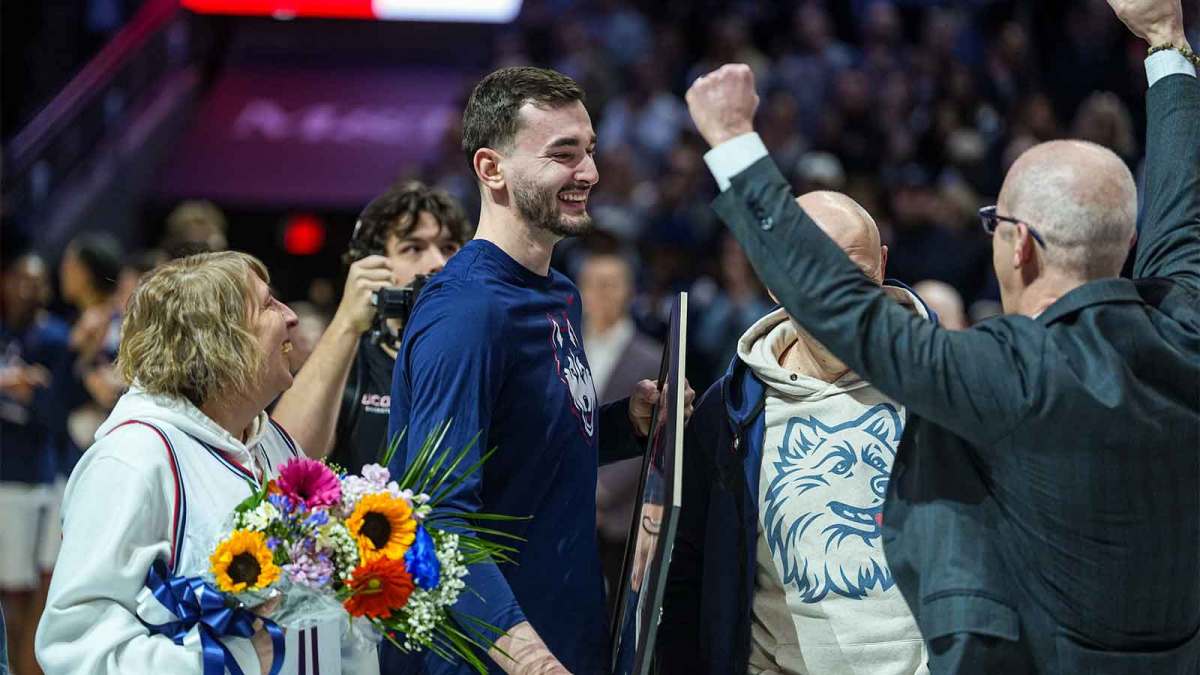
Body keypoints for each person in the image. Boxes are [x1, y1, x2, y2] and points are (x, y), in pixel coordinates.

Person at [682, 0, 1199, 669]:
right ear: (1127, 242)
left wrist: (733, 144)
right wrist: (1167, 41)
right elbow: (1182, 215)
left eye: (994, 224)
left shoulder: (1003, 372)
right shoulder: (1185, 328)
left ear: (1019, 248)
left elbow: (843, 308)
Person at [387, 66, 685, 675]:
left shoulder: (559, 294)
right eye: (563, 154)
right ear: (491, 169)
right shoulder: (467, 312)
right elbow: (435, 519)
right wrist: (531, 662)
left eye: (591, 151)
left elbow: (531, 447)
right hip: (498, 660)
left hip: (568, 640)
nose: (590, 173)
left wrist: (625, 424)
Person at [35, 251, 380, 675]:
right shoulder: (132, 460)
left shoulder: (268, 444)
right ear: (216, 340)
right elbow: (75, 647)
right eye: (268, 305)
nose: (291, 317)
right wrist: (222, 663)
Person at [660, 192, 933, 674]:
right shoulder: (726, 415)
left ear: (883, 263)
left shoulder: (943, 386)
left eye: (858, 279)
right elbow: (689, 582)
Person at [273, 180, 473, 470]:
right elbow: (284, 463)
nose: (437, 263)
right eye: (413, 248)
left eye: (449, 248)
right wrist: (347, 322)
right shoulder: (349, 363)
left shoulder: (486, 352)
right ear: (373, 266)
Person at [578, 251, 664, 610]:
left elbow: (653, 431)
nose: (601, 293)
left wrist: (600, 490)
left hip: (620, 515)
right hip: (568, 507)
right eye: (593, 285)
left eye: (611, 285)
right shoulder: (567, 350)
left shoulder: (651, 356)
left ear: (629, 291)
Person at [0, 253, 71, 675]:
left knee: (22, 592)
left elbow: (60, 411)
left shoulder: (57, 338)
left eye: (34, 282)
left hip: (29, 479)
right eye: (17, 280)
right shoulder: (4, 332)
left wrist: (34, 396)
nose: (25, 290)